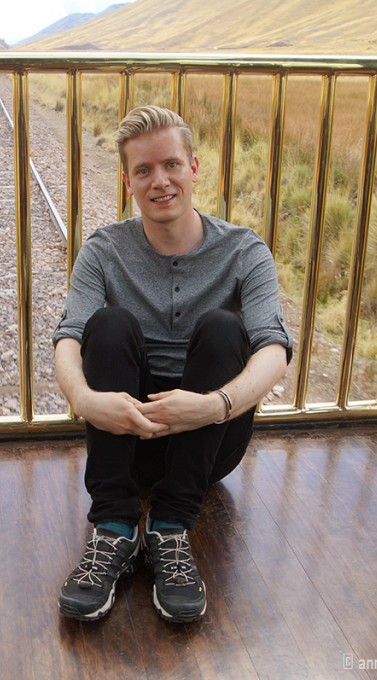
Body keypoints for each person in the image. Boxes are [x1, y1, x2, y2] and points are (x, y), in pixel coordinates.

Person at [53, 105, 292, 623]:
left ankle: (171, 528)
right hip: (127, 437)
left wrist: (213, 405)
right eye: (144, 171)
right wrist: (86, 400)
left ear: (194, 168)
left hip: (209, 444)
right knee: (108, 324)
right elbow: (69, 337)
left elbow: (275, 348)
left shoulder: (244, 251)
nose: (159, 181)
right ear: (128, 182)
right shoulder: (103, 250)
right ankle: (114, 528)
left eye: (171, 165)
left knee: (227, 329)